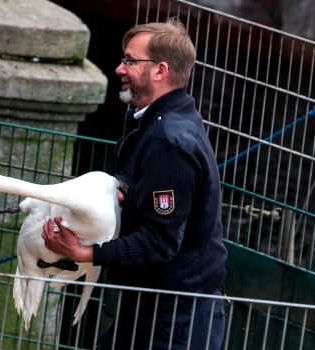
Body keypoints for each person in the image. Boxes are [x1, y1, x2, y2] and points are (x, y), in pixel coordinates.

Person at [42, 17, 228, 349]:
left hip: (175, 317)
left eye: (129, 60)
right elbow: (126, 184)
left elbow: (161, 240)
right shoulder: (145, 119)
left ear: (160, 70)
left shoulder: (170, 142)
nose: (119, 68)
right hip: (146, 303)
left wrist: (88, 253)